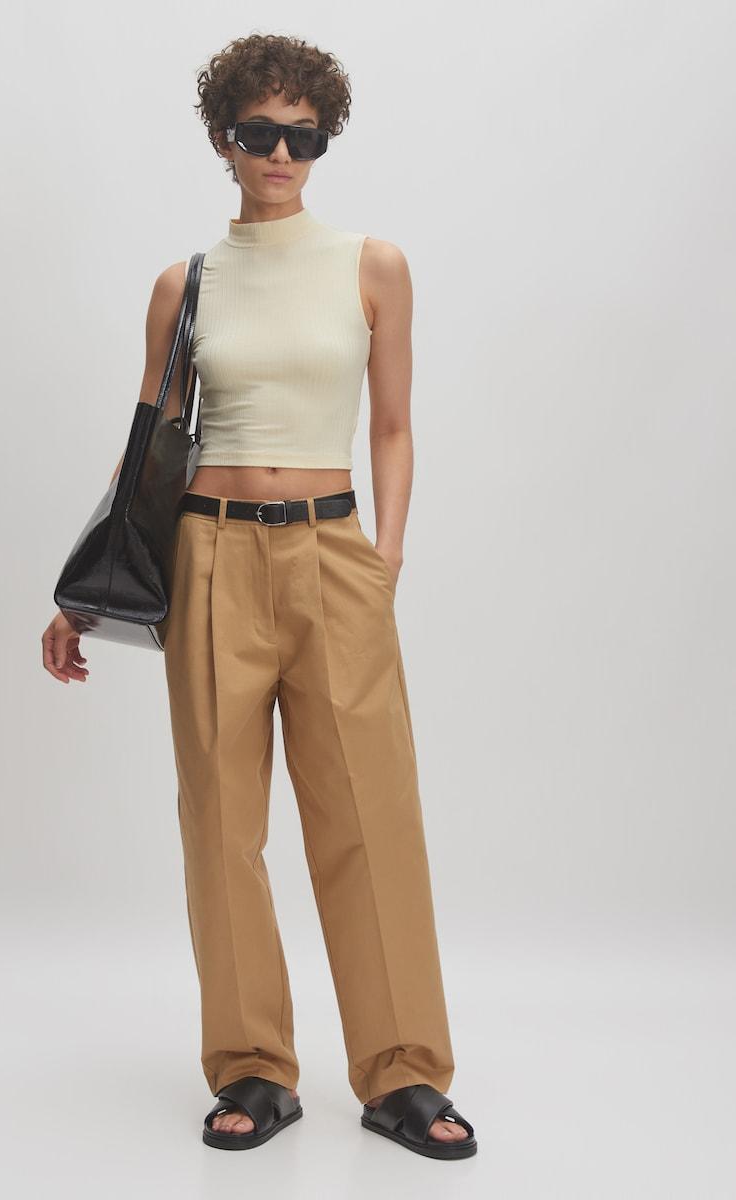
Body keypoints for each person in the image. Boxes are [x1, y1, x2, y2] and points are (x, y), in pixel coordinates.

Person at [42, 33, 477, 1160]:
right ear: (222, 138)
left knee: (371, 819)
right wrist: (81, 594)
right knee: (222, 824)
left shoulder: (373, 266)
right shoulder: (185, 285)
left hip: (334, 554)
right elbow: (150, 447)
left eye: (303, 135)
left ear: (323, 141)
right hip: (209, 557)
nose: (281, 154)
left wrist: (386, 558)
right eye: (259, 132)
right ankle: (251, 1066)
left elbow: (393, 424)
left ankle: (403, 1073)